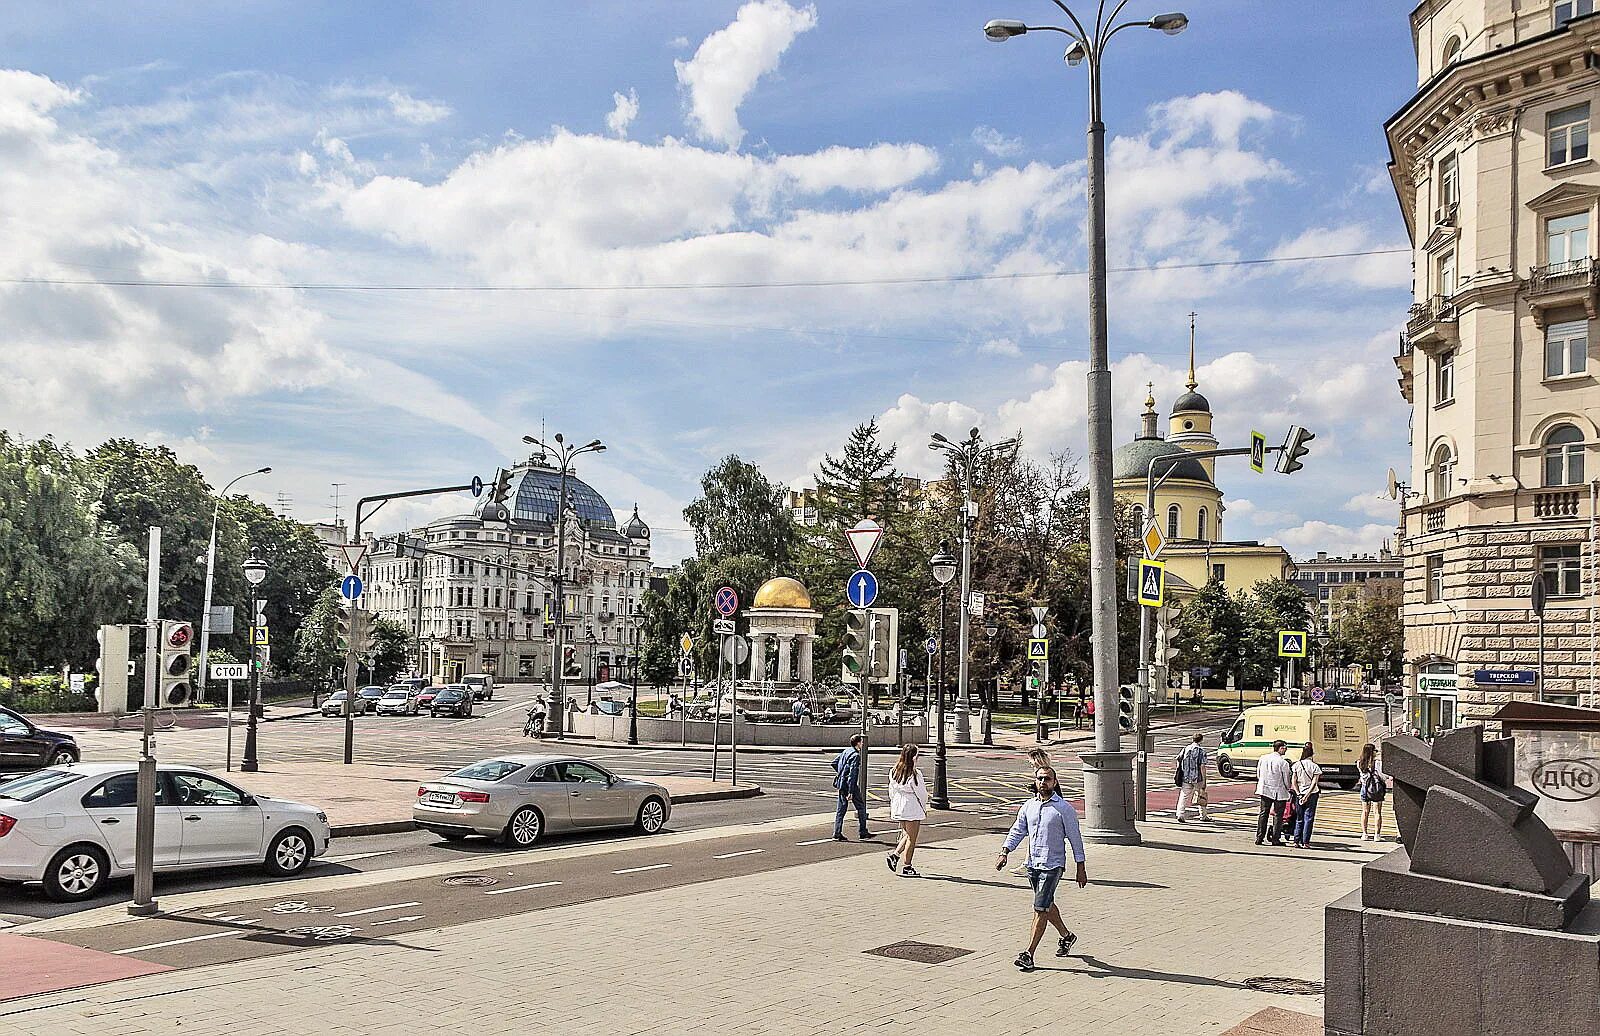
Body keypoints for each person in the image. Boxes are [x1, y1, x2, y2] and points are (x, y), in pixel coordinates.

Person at [996, 764, 1086, 972]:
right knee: (1046, 904)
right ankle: (1067, 936)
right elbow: (1017, 830)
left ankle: (1029, 954)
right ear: (1035, 782)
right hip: (1033, 864)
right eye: (1040, 779)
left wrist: (1080, 866)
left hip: (1053, 865)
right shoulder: (1028, 806)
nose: (1043, 782)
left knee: (1040, 908)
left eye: (1047, 779)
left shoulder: (1064, 809)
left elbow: (1075, 838)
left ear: (1054, 782)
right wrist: (1005, 851)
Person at [886, 744, 929, 877]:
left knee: (906, 834)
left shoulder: (894, 770)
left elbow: (891, 790)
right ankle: (907, 866)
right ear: (913, 756)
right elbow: (921, 794)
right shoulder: (915, 774)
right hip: (911, 806)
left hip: (899, 805)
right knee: (912, 838)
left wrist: (893, 804)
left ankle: (895, 855)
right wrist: (924, 807)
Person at [831, 734, 873, 842]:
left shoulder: (846, 751)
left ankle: (837, 832)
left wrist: (841, 774)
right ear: (858, 743)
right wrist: (851, 791)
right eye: (861, 742)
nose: (862, 744)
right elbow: (853, 774)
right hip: (850, 786)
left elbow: (834, 763)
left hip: (841, 784)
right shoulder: (856, 756)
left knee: (841, 810)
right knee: (861, 807)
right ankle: (863, 832)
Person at [1254, 740, 1293, 846]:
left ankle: (1259, 837)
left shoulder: (1263, 758)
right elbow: (1286, 780)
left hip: (1264, 789)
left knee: (1263, 813)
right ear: (1280, 748)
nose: (1285, 750)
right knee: (1278, 815)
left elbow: (1258, 774)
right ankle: (1275, 839)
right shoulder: (1283, 763)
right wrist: (1288, 788)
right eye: (1285, 748)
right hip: (1279, 791)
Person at [1289, 742, 1322, 848]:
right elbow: (1314, 782)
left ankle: (1296, 841)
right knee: (1309, 817)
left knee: (1299, 818)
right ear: (1311, 755)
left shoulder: (1296, 765)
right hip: (1312, 794)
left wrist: (1299, 794)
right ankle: (1306, 842)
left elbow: (1293, 781)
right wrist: (1307, 795)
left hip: (1299, 794)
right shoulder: (1315, 767)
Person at [1357, 743, 1389, 841]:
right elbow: (1384, 776)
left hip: (1365, 788)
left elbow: (1362, 776)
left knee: (1365, 812)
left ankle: (1365, 834)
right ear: (1372, 752)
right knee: (1377, 812)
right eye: (1375, 751)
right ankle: (1377, 835)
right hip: (1376, 789)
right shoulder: (1378, 764)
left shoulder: (1359, 763)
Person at [1175, 733, 1210, 823]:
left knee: (1183, 796)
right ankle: (1203, 815)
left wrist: (1181, 770)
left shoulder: (1185, 749)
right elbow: (1202, 766)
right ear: (1201, 740)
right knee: (1200, 795)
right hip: (1197, 777)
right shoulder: (1201, 751)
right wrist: (1204, 780)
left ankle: (1180, 814)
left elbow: (1178, 759)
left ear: (1193, 739)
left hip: (1186, 777)